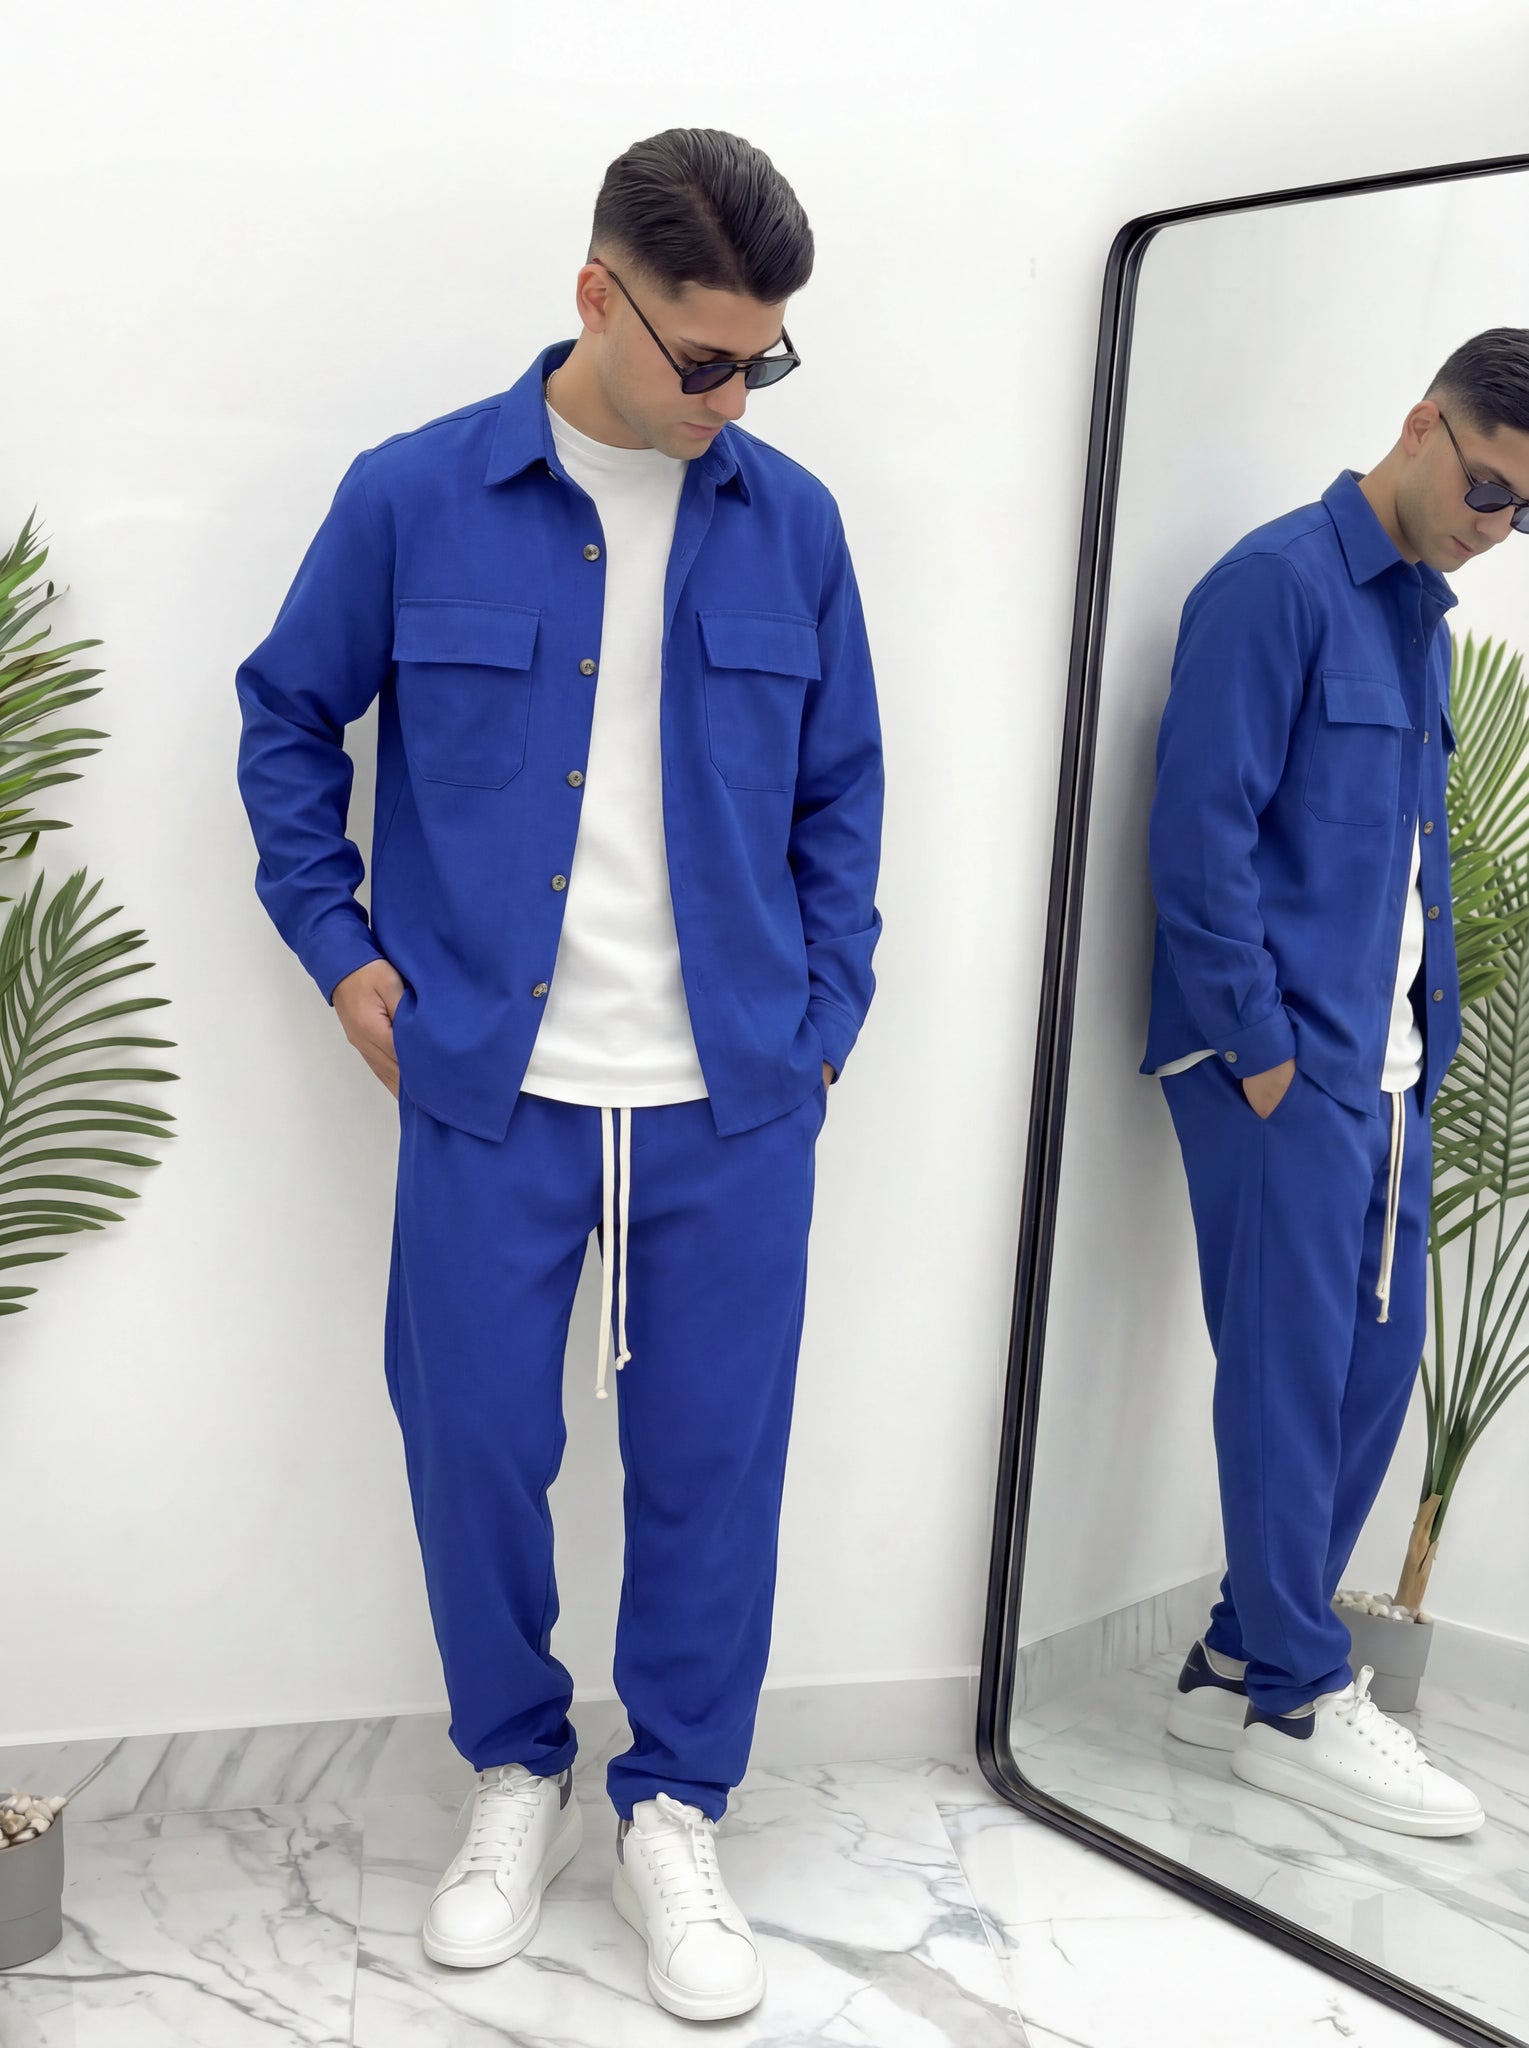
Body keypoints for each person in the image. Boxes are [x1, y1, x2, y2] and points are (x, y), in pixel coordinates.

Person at [233, 127, 883, 2022]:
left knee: (712, 1469)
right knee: (472, 1448)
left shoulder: (794, 525)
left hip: (732, 1100)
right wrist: (344, 955)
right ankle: (513, 1768)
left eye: (765, 361)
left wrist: (823, 1019)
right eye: (706, 357)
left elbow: (842, 793)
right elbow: (284, 719)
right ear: (597, 296)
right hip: (489, 1089)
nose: (731, 397)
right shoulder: (412, 496)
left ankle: (673, 1805)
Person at [1142, 328, 1529, 1838]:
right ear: (1422, 425)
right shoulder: (1273, 586)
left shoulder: (1418, 620)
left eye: (1525, 514)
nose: (1496, 528)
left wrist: (1415, 1056)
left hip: (1387, 1074)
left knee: (1372, 1372)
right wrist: (1260, 1056)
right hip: (1280, 1069)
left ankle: (1235, 1657)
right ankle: (1298, 1702)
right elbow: (1200, 837)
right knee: (1288, 1380)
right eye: (1488, 487)